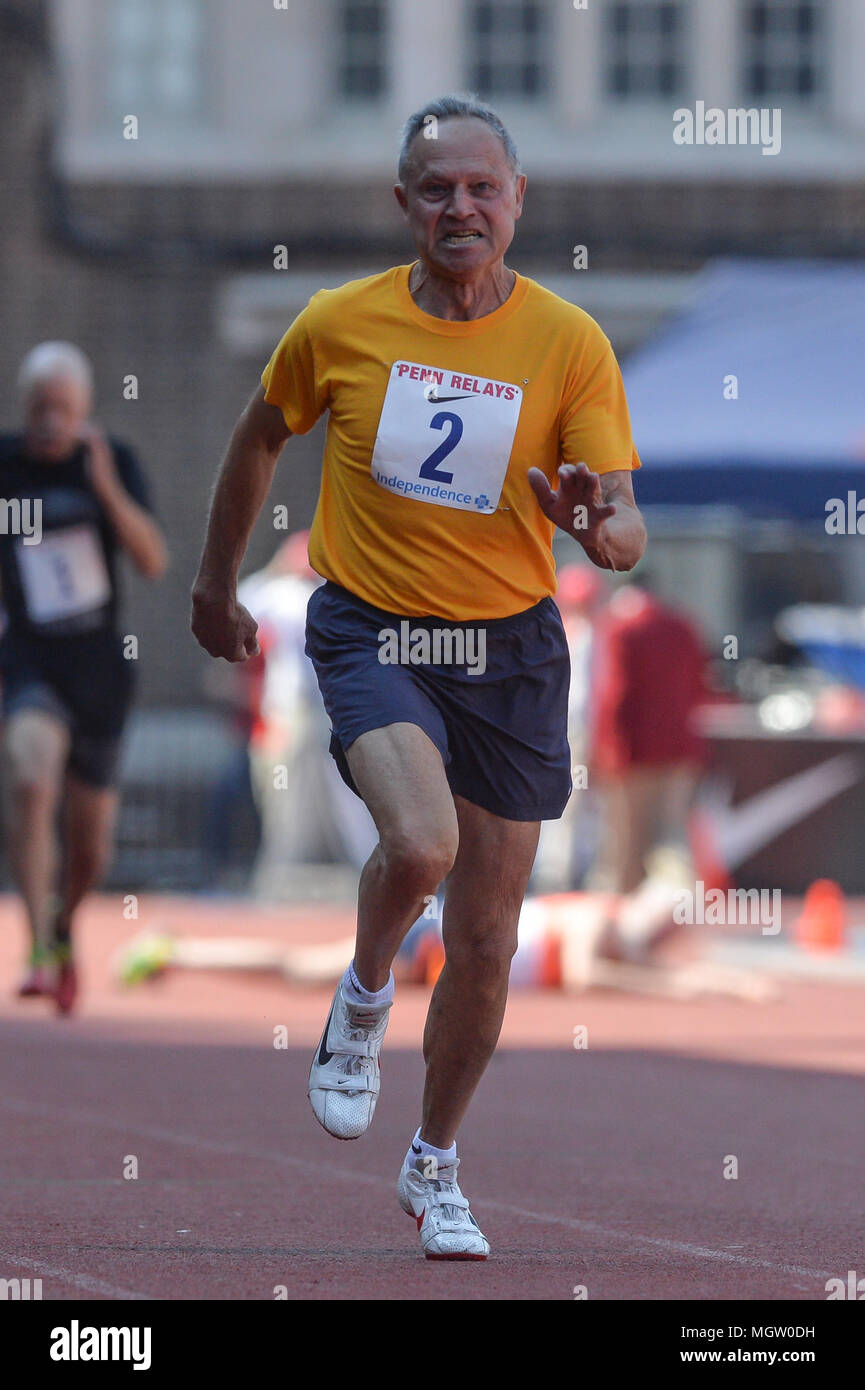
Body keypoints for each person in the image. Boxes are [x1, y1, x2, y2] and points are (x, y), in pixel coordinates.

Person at [191, 95, 645, 1260]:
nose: (461, 207)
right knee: (423, 843)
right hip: (375, 628)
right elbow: (257, 435)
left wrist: (598, 529)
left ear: (517, 203)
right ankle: (361, 992)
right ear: (403, 205)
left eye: (482, 188)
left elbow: (623, 521)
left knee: (489, 936)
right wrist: (214, 583)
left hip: (511, 649)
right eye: (436, 188)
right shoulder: (336, 323)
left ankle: (434, 1162)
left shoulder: (567, 341)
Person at [0, 342, 167, 1013]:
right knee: (32, 780)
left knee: (91, 842)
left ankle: (66, 925)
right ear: (24, 405)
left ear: (85, 411)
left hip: (98, 663)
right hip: (28, 658)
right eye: (40, 407)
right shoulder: (5, 464)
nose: (49, 422)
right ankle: (37, 944)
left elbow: (153, 559)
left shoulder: (113, 461)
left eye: (63, 410)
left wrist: (102, 486)